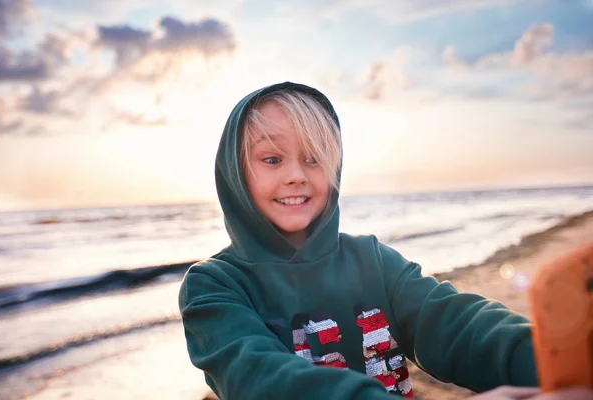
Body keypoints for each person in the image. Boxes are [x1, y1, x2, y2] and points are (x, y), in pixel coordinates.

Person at [178, 82, 593, 400]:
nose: (296, 175)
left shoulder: (371, 261)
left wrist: (558, 363)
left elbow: (458, 325)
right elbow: (262, 377)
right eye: (272, 159)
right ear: (235, 173)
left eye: (315, 158)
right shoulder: (214, 287)